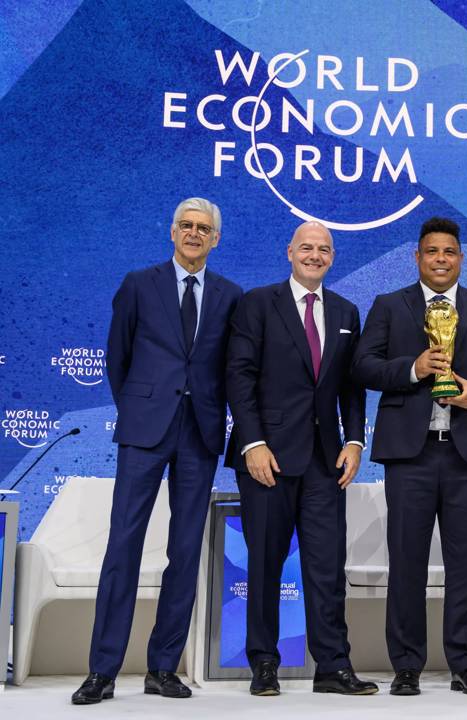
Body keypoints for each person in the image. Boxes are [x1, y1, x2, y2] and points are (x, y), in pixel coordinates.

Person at [72, 198, 243, 705]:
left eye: (204, 228)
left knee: (185, 552)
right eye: (186, 226)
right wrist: (142, 406)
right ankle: (102, 670)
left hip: (200, 435)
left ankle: (163, 668)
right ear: (173, 233)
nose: (194, 234)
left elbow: (228, 367)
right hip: (145, 430)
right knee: (122, 546)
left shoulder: (231, 296)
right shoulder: (138, 284)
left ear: (216, 239)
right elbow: (117, 358)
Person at [351, 217, 467, 696]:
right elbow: (362, 365)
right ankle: (406, 665)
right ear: (418, 257)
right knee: (406, 561)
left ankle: (466, 664)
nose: (441, 259)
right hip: (410, 455)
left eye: (449, 251)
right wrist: (412, 368)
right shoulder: (389, 306)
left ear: (461, 258)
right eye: (432, 251)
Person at [224, 221, 377, 696]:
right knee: (266, 565)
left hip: (324, 462)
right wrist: (252, 444)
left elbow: (352, 388)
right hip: (266, 458)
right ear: (289, 252)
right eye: (306, 247)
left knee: (327, 568)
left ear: (332, 257)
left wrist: (355, 441)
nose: (315, 255)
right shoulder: (256, 304)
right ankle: (264, 664)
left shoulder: (347, 310)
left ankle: (332, 666)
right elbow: (239, 377)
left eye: (324, 249)